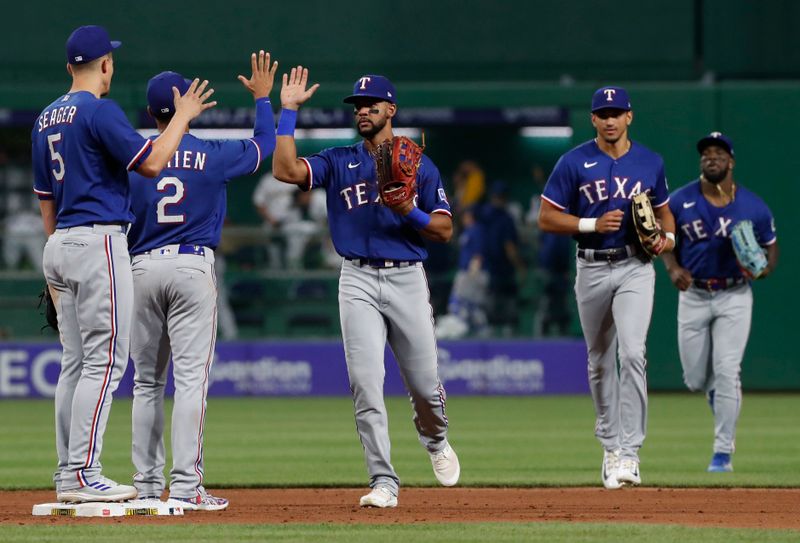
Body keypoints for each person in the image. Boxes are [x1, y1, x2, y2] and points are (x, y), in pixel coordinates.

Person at [31, 25, 215, 503]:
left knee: (73, 363)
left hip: (59, 245)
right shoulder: (97, 111)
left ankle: (67, 474)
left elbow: (46, 208)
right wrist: (184, 116)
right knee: (106, 361)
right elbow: (152, 163)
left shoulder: (45, 118)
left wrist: (61, 263)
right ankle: (85, 472)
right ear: (105, 65)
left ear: (70, 66)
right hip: (98, 241)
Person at [272, 69, 460, 508]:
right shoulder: (338, 160)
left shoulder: (419, 164)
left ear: (391, 110)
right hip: (355, 276)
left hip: (407, 277)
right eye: (357, 106)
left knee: (425, 385)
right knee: (365, 383)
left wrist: (409, 210)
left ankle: (435, 440)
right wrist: (288, 111)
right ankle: (383, 481)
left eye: (371, 104)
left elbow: (445, 229)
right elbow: (284, 169)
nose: (363, 111)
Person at [126, 51, 277, 510]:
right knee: (190, 382)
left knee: (146, 384)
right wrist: (266, 100)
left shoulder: (135, 157)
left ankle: (149, 488)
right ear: (188, 103)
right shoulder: (212, 153)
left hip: (140, 268)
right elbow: (263, 146)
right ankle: (187, 489)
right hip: (192, 266)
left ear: (153, 113)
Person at [538, 86, 676, 489]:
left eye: (617, 112)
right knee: (600, 360)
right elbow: (547, 218)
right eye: (603, 113)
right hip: (592, 266)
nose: (610, 119)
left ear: (629, 116)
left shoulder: (651, 162)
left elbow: (666, 219)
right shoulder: (573, 162)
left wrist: (666, 243)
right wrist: (590, 225)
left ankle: (630, 454)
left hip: (635, 265)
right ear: (593, 119)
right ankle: (610, 446)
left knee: (632, 353)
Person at [661, 132, 778, 473]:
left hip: (734, 295)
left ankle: (722, 453)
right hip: (694, 294)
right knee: (696, 380)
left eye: (719, 153)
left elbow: (771, 245)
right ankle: (721, 399)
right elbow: (663, 240)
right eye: (706, 153)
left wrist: (765, 268)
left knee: (728, 372)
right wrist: (672, 268)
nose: (711, 157)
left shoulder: (753, 206)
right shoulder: (679, 201)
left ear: (731, 162)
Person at [479, 180, 526, 335]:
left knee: (491, 310)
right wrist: (520, 267)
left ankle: (491, 333)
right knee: (506, 312)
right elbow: (509, 248)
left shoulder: (484, 215)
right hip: (502, 270)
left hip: (487, 268)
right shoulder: (505, 218)